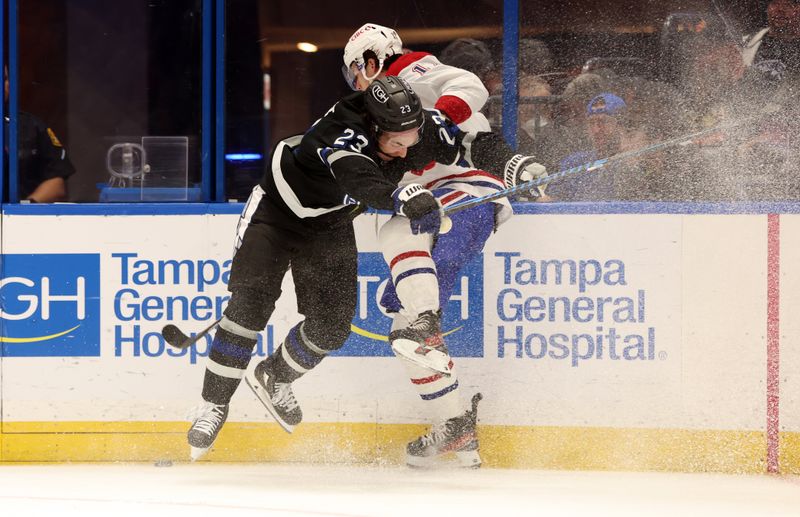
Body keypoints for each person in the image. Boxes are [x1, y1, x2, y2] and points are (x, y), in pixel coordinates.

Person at [186, 75, 545, 462]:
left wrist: (515, 165)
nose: (407, 151)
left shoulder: (410, 126)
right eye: (396, 144)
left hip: (332, 224)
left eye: (412, 140)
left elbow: (467, 142)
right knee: (249, 309)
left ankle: (275, 375)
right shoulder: (342, 132)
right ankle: (212, 405)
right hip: (277, 215)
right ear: (374, 129)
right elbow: (359, 179)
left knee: (333, 326)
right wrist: (400, 195)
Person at [341, 23, 547, 467]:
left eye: (357, 73)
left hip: (467, 186)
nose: (357, 86)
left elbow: (468, 88)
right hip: (421, 200)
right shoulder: (367, 116)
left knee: (445, 251)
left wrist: (445, 121)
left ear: (373, 61)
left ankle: (426, 318)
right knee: (402, 321)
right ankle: (454, 427)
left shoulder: (410, 71)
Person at [4, 67, 74, 202]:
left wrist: (25, 208)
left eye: (5, 79)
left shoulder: (31, 126)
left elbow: (56, 183)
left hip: (21, 218)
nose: (3, 85)